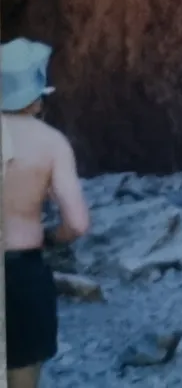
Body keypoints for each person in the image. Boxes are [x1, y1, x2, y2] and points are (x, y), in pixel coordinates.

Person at [3, 39, 90, 388]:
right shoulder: (50, 142)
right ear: (37, 95)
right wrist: (53, 237)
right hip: (21, 272)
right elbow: (78, 223)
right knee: (22, 373)